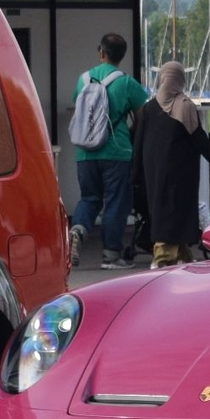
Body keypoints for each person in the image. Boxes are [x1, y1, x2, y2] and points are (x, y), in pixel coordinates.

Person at [67, 33, 146, 269]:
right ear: (122, 56)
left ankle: (78, 230)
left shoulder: (83, 80)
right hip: (117, 152)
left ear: (101, 51)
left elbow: (78, 109)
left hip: (85, 152)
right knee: (116, 202)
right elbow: (143, 117)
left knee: (90, 198)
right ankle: (111, 255)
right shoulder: (127, 83)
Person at [132, 61, 206, 266]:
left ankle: (182, 253)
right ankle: (162, 258)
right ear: (181, 79)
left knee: (162, 210)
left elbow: (139, 141)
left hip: (153, 171)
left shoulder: (149, 107)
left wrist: (135, 172)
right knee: (177, 211)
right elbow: (199, 139)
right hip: (181, 172)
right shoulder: (185, 106)